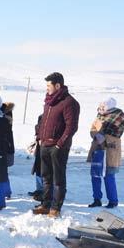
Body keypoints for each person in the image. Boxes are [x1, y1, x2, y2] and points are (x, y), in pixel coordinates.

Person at [32, 72, 80, 218]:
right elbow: (43, 121)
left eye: (48, 85)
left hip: (58, 147)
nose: (46, 88)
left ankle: (56, 208)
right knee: (46, 176)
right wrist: (39, 137)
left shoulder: (69, 102)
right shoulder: (49, 101)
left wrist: (59, 145)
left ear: (57, 85)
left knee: (58, 178)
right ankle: (46, 205)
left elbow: (71, 127)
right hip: (45, 145)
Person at [87, 97, 124, 209]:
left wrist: (106, 138)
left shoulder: (118, 116)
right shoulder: (99, 116)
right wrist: (96, 135)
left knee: (108, 176)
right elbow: (93, 128)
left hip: (110, 150)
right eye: (101, 105)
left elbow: (119, 132)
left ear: (110, 106)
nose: (101, 107)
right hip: (98, 148)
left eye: (104, 106)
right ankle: (97, 199)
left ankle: (113, 201)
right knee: (95, 175)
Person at [28, 115, 44, 201]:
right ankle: (39, 189)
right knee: (38, 169)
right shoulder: (41, 116)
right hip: (39, 147)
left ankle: (45, 191)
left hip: (46, 147)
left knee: (44, 170)